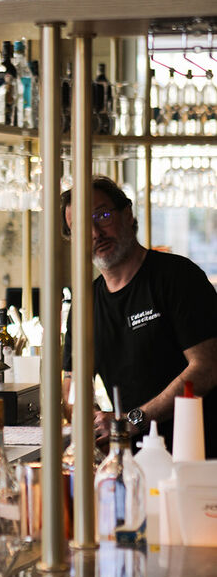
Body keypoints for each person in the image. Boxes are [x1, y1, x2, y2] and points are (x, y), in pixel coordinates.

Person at [61, 175, 217, 455]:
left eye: (102, 215)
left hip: (198, 453)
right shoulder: (84, 303)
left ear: (127, 213)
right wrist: (95, 422)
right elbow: (73, 383)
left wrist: (133, 420)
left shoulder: (178, 277)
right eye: (81, 227)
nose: (95, 233)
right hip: (136, 459)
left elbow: (207, 367)